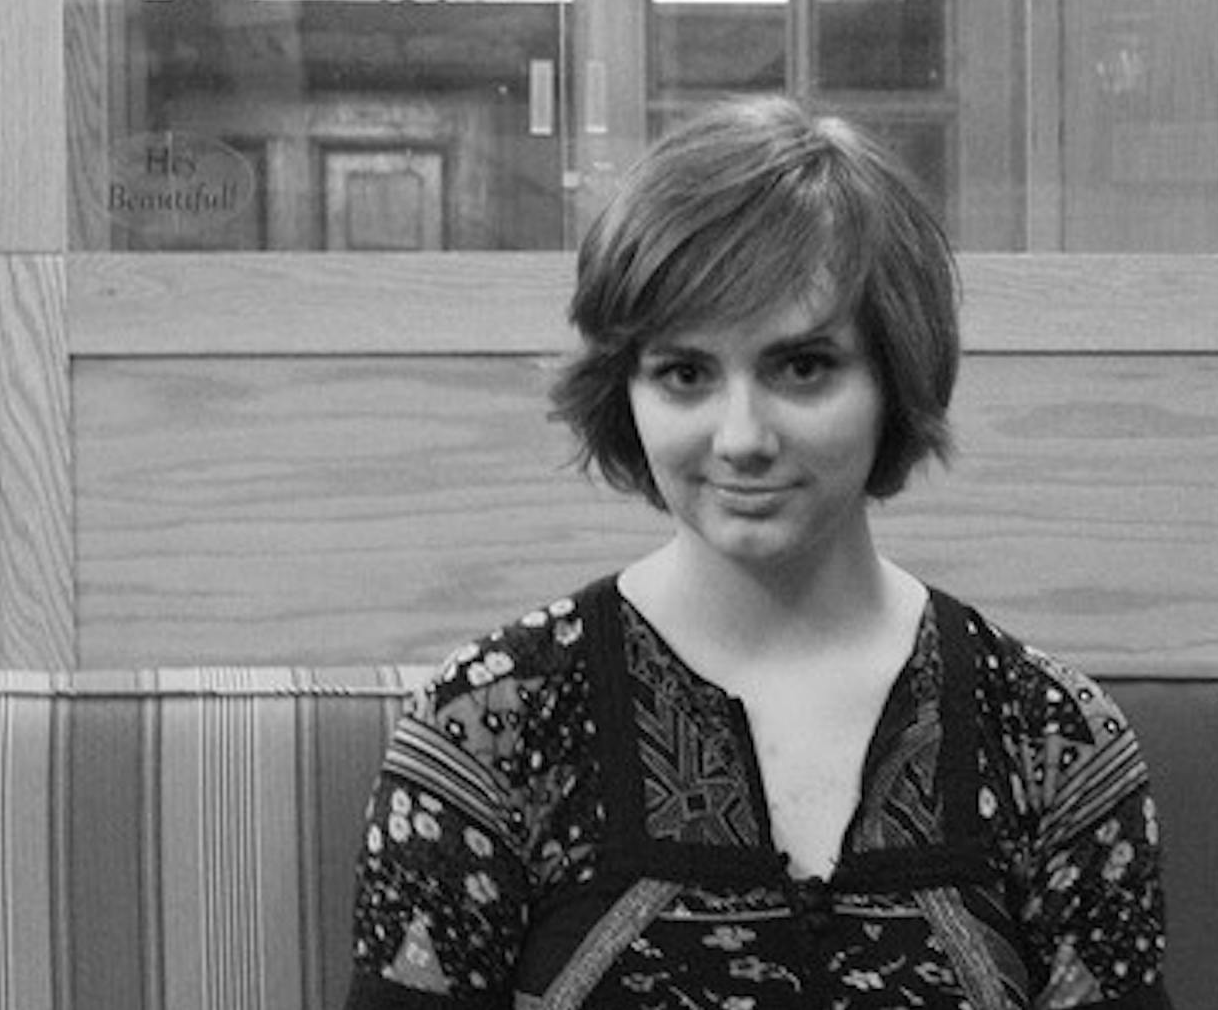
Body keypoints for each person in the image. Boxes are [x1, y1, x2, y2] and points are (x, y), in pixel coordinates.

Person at [344, 95, 1172, 1009]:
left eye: (802, 366)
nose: (741, 437)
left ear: (896, 375)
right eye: (685, 373)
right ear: (626, 393)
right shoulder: (492, 721)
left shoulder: (1053, 737)